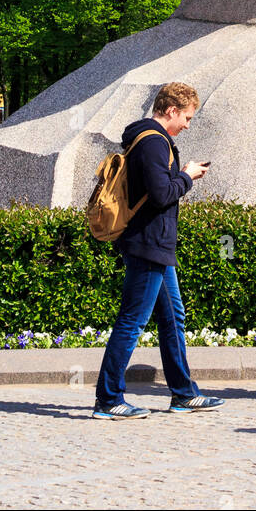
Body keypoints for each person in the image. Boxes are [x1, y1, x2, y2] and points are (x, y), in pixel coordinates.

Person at [93, 82, 222, 420]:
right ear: (171, 111)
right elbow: (163, 194)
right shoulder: (152, 142)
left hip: (156, 245)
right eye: (187, 118)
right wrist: (188, 176)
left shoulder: (151, 139)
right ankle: (108, 399)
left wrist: (180, 175)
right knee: (132, 321)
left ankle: (183, 394)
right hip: (148, 244)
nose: (188, 125)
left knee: (172, 317)